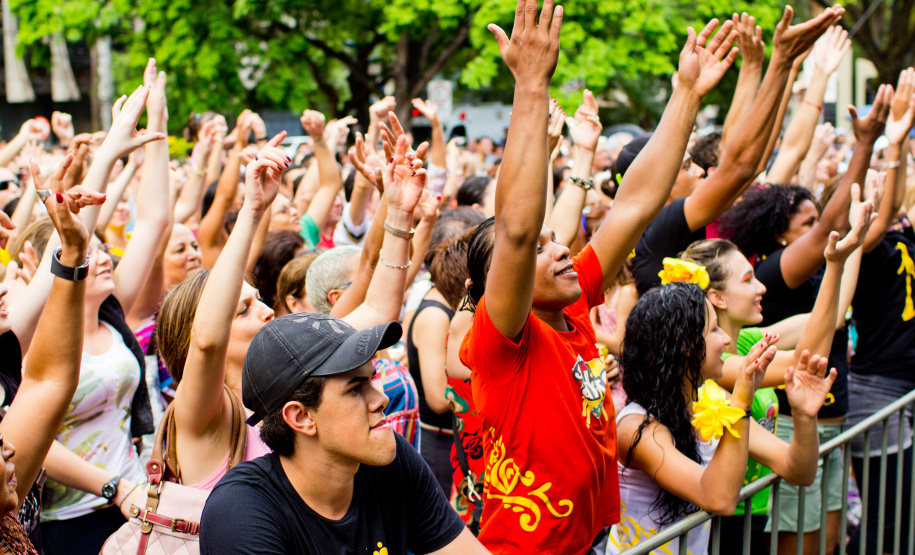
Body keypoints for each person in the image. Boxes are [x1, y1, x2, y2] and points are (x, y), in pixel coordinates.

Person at [460, 3, 742, 552]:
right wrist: (532, 85)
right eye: (540, 250)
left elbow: (635, 203)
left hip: (594, 539)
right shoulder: (500, 341)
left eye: (556, 239)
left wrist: (685, 93)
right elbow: (516, 231)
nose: (560, 248)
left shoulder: (568, 303)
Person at [674, 188, 872, 552]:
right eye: (748, 279)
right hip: (720, 525)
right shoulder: (714, 369)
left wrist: (847, 249)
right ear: (716, 297)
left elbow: (829, 317)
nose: (762, 286)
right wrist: (837, 261)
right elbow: (805, 360)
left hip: (753, 509)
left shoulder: (749, 340)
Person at [198, 313, 487, 554]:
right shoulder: (241, 513)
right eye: (355, 388)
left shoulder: (390, 461)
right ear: (301, 417)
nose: (381, 399)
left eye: (371, 380)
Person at [606, 282, 836, 554]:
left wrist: (804, 416)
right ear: (685, 345)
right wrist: (741, 403)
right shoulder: (636, 427)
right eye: (714, 329)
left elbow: (798, 470)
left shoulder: (713, 400)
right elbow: (718, 499)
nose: (726, 339)